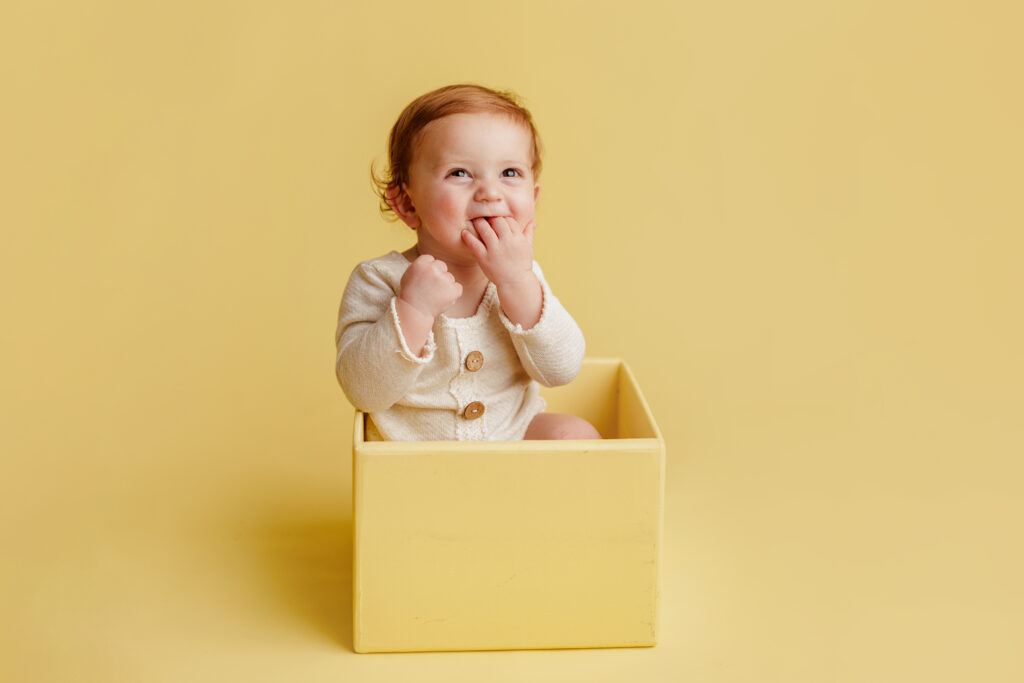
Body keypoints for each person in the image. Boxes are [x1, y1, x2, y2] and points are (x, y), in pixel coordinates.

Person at [335, 84, 600, 442]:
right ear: (408, 204)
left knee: (576, 434)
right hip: (415, 457)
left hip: (510, 435)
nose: (490, 193)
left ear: (533, 197)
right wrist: (413, 309)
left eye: (509, 173)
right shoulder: (380, 280)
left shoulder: (523, 276)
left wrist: (517, 283)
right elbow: (364, 391)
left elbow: (562, 370)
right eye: (459, 173)